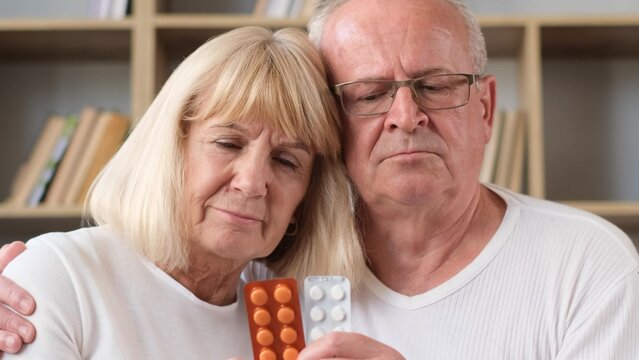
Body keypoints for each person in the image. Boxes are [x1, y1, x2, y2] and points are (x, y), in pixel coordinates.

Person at [2, 0, 639, 358]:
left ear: (486, 108)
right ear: (336, 125)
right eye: (368, 93)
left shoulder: (586, 265)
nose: (405, 116)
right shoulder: (266, 278)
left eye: (437, 86)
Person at [0, 25, 365, 358]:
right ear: (171, 150)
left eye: (286, 161)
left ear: (303, 203)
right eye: (228, 143)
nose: (252, 183)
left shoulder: (288, 317)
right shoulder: (59, 276)